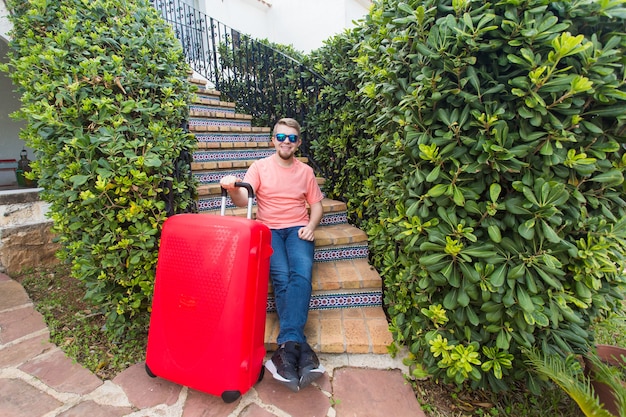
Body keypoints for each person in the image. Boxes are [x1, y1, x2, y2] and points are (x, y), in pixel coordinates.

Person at [220, 117, 325, 392]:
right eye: (281, 137)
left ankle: (286, 348)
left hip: (298, 229)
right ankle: (296, 345)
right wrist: (233, 188)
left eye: (291, 138)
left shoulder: (306, 172)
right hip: (269, 231)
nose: (286, 142)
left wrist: (311, 227)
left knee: (300, 275)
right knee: (281, 276)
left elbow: (316, 205)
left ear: (298, 143)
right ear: (273, 140)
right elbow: (244, 199)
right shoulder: (260, 167)